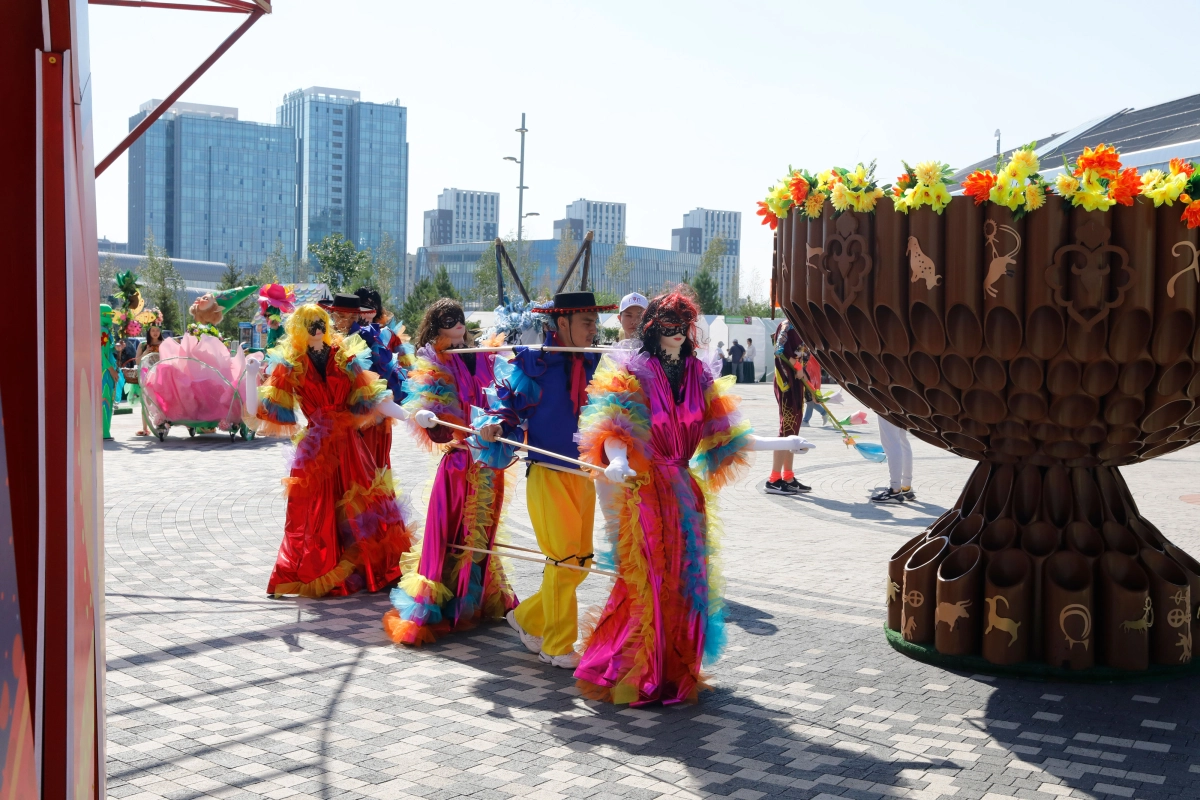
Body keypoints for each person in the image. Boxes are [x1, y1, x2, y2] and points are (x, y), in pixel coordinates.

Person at [572, 290, 812, 705]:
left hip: (685, 493)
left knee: (687, 581)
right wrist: (615, 460)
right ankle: (639, 666)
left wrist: (783, 441)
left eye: (684, 324)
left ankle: (674, 666)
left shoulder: (699, 374)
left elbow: (728, 435)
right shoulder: (632, 370)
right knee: (649, 580)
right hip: (647, 492)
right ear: (652, 327)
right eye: (669, 324)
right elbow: (614, 428)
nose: (678, 332)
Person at [478, 291, 618, 669]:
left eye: (595, 322)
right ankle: (556, 645)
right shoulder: (536, 362)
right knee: (566, 560)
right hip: (548, 472)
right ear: (562, 324)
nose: (594, 330)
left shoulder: (595, 363)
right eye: (586, 322)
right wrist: (496, 424)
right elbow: (510, 403)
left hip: (583, 474)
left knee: (581, 562)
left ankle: (527, 618)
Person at [381, 299, 516, 645]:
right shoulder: (435, 365)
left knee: (481, 534)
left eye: (459, 317)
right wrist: (431, 418)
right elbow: (437, 429)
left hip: (489, 464)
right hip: (458, 466)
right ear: (436, 326)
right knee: (449, 533)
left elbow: (506, 400)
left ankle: (476, 597)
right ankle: (440, 603)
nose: (456, 323)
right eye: (447, 319)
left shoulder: (484, 356)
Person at [256, 303, 413, 598]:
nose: (316, 328)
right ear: (299, 329)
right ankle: (321, 569)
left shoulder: (344, 356)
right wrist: (248, 381)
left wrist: (410, 414)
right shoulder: (290, 364)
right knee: (316, 511)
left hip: (349, 442)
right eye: (310, 323)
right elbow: (271, 410)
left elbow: (369, 396)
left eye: (320, 322)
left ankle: (379, 569)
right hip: (316, 445)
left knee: (364, 502)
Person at [348, 287, 415, 471]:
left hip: (383, 405)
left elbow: (407, 368)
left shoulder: (388, 335)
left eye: (372, 307)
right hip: (351, 406)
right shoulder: (343, 334)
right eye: (362, 306)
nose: (367, 311)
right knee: (356, 460)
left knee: (379, 458)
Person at [766, 319, 811, 495]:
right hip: (787, 382)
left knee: (792, 431)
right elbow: (779, 350)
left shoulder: (803, 326)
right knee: (786, 429)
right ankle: (773, 479)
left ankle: (788, 477)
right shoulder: (788, 325)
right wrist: (798, 366)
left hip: (797, 382)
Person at [132, 320, 165, 437]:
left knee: (161, 400)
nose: (155, 333)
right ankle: (145, 428)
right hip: (147, 376)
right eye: (153, 330)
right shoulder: (143, 345)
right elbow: (137, 361)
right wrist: (146, 351)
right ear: (149, 332)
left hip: (162, 375)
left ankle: (162, 422)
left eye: (157, 330)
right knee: (146, 401)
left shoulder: (164, 343)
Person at [871, 419, 915, 503]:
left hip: (888, 408)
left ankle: (895, 490)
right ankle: (906, 487)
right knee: (903, 441)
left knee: (891, 443)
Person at [800, 347, 828, 426]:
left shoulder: (811, 351)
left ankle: (806, 421)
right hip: (806, 376)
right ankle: (824, 413)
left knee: (809, 400)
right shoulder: (807, 349)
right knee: (810, 400)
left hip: (810, 378)